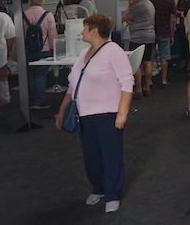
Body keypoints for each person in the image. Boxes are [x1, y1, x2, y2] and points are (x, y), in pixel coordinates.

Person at [55, 14, 134, 214]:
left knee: (110, 155)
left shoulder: (113, 51)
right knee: (91, 155)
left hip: (107, 113)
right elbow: (72, 85)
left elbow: (127, 83)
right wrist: (62, 110)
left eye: (85, 28)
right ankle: (98, 188)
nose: (81, 32)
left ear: (95, 30)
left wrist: (122, 114)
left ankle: (112, 193)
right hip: (84, 114)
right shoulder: (84, 53)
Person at [24, 0, 58, 109]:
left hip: (27, 50)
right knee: (40, 75)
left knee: (29, 75)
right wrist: (54, 49)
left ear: (30, 1)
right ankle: (38, 101)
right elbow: (52, 35)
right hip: (44, 49)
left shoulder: (23, 15)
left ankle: (29, 101)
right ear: (42, 1)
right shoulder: (48, 15)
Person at [123, 0, 155, 98]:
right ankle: (147, 87)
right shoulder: (149, 3)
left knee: (136, 64)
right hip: (150, 36)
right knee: (148, 61)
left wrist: (130, 6)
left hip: (137, 37)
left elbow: (125, 17)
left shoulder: (137, 6)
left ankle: (138, 89)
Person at [148, 0, 175, 88]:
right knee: (165, 57)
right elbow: (172, 19)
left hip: (151, 30)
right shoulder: (170, 0)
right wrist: (172, 34)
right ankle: (163, 80)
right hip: (165, 31)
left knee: (150, 57)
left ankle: (149, 81)